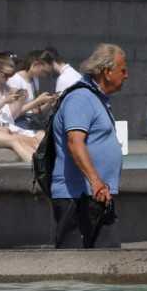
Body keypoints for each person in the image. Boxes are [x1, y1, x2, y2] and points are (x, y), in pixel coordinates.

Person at [50, 44, 128, 248]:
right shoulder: (81, 98)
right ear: (107, 72)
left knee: (108, 258)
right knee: (73, 263)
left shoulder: (97, 99)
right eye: (122, 70)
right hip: (77, 196)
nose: (126, 75)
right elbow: (75, 143)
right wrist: (95, 181)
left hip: (97, 195)